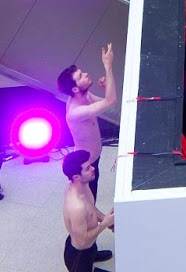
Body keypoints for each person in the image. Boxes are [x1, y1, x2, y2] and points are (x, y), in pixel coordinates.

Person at [57, 43, 118, 206]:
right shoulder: (76, 112)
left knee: (92, 201)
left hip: (94, 158)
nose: (86, 74)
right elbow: (110, 101)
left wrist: (107, 88)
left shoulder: (84, 95)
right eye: (80, 76)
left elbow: (109, 103)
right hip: (86, 163)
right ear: (75, 89)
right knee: (88, 205)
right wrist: (108, 67)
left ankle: (97, 224)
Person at [61, 149, 114, 271]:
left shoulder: (83, 185)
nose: (92, 169)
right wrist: (105, 223)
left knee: (91, 247)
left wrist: (108, 222)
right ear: (76, 177)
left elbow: (91, 209)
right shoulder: (77, 207)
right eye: (87, 168)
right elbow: (83, 241)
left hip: (89, 246)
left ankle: (93, 255)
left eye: (90, 165)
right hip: (79, 255)